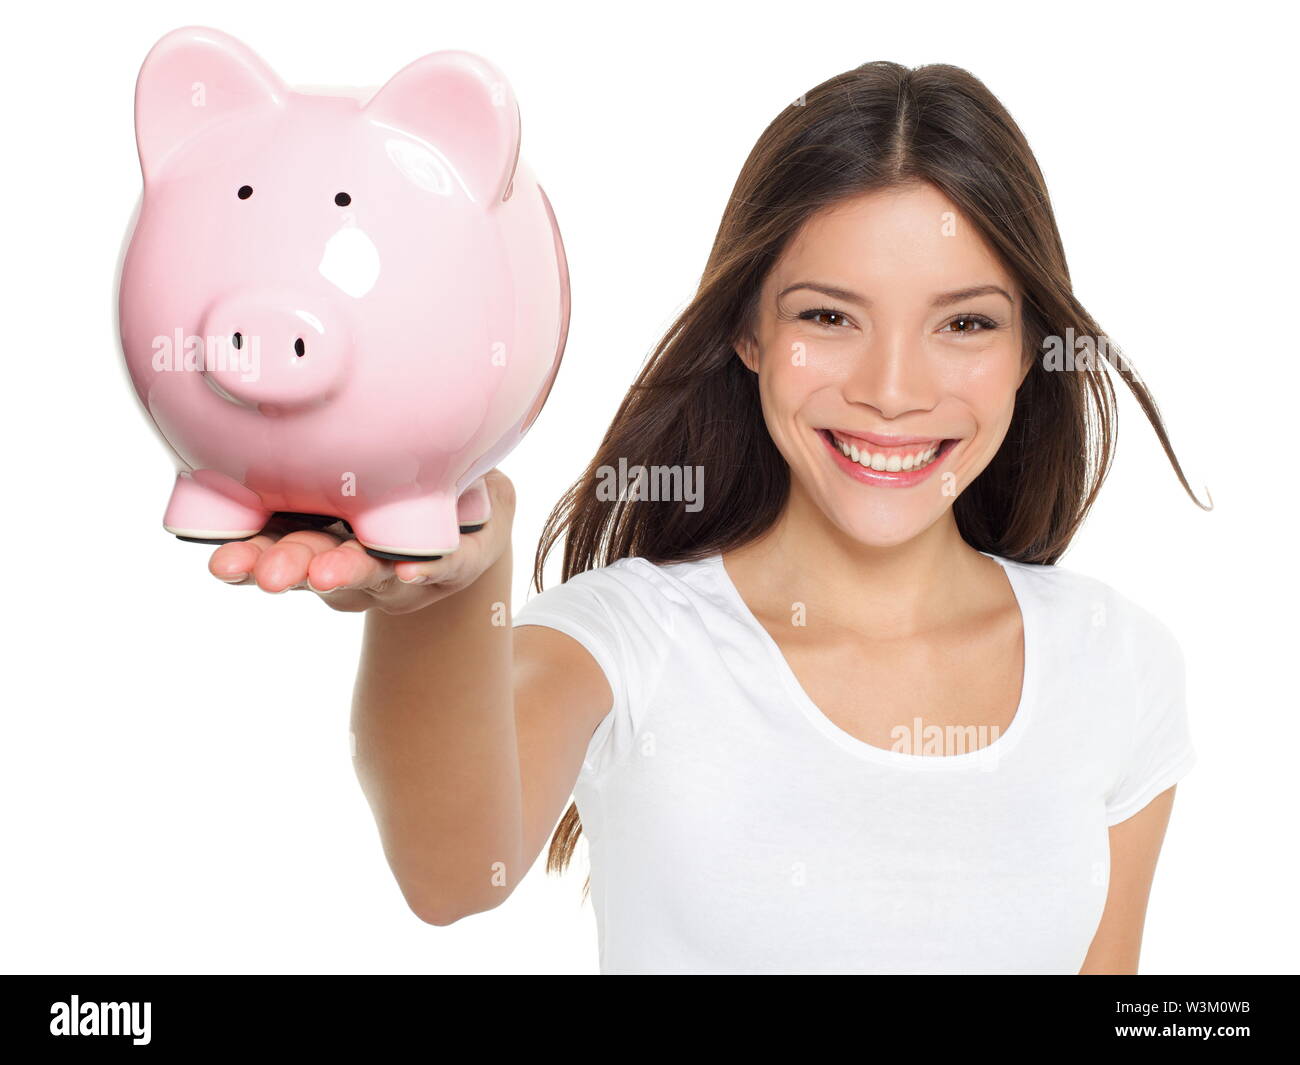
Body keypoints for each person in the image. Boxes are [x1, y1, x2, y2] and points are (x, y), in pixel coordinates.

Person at [207, 61, 1203, 975]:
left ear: (1029, 348)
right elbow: (455, 875)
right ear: (748, 332)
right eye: (827, 317)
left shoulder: (1117, 663)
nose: (893, 391)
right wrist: (443, 595)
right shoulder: (627, 641)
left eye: (965, 323)